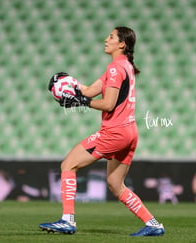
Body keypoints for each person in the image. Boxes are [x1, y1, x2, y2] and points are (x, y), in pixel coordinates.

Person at [40, 26, 165, 236]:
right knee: (116, 184)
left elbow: (108, 104)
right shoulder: (122, 66)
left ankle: (67, 220)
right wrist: (69, 83)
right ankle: (153, 224)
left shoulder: (116, 69)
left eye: (111, 37)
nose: (106, 39)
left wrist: (82, 101)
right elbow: (89, 90)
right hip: (129, 132)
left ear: (122, 44)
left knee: (68, 165)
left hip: (114, 132)